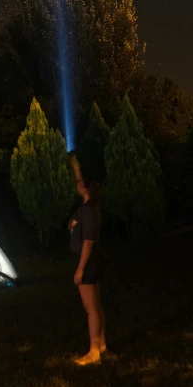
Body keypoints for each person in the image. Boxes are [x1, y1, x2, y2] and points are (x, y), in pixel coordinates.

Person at [68, 155, 106, 365]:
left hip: (88, 262)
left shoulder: (89, 211)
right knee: (97, 305)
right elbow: (80, 182)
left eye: (83, 184)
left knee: (91, 308)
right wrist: (75, 167)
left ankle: (94, 353)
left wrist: (80, 270)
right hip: (92, 261)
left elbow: (88, 242)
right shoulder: (89, 205)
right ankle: (101, 345)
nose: (79, 185)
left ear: (86, 189)